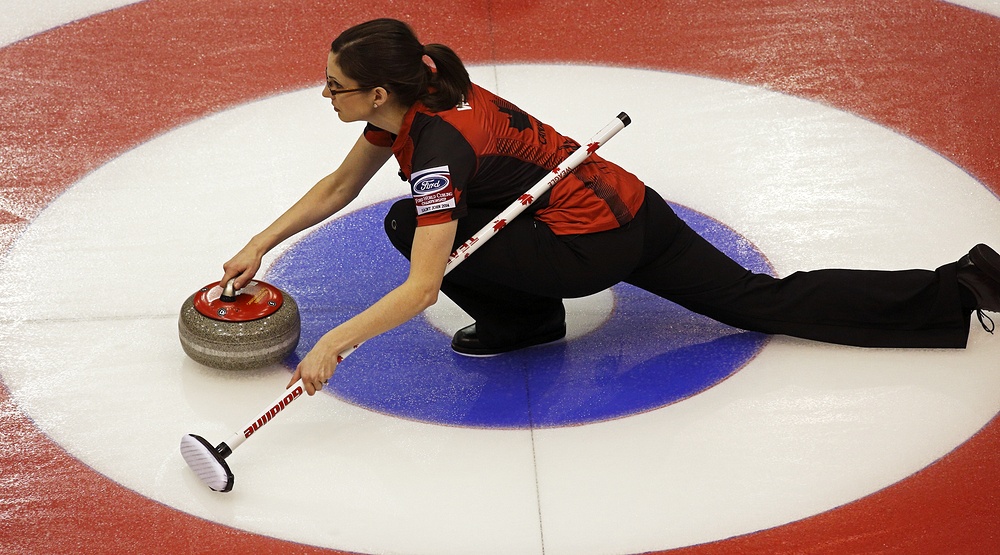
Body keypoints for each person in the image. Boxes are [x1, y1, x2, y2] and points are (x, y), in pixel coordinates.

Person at [220, 18, 1000, 396]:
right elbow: (337, 187)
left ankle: (528, 320)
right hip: (630, 209)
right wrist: (260, 239)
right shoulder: (428, 96)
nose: (325, 92)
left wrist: (337, 344)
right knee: (761, 300)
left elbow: (425, 285)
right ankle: (958, 288)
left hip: (586, 248)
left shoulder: (436, 153)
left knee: (408, 226)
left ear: (378, 93)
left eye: (335, 85)